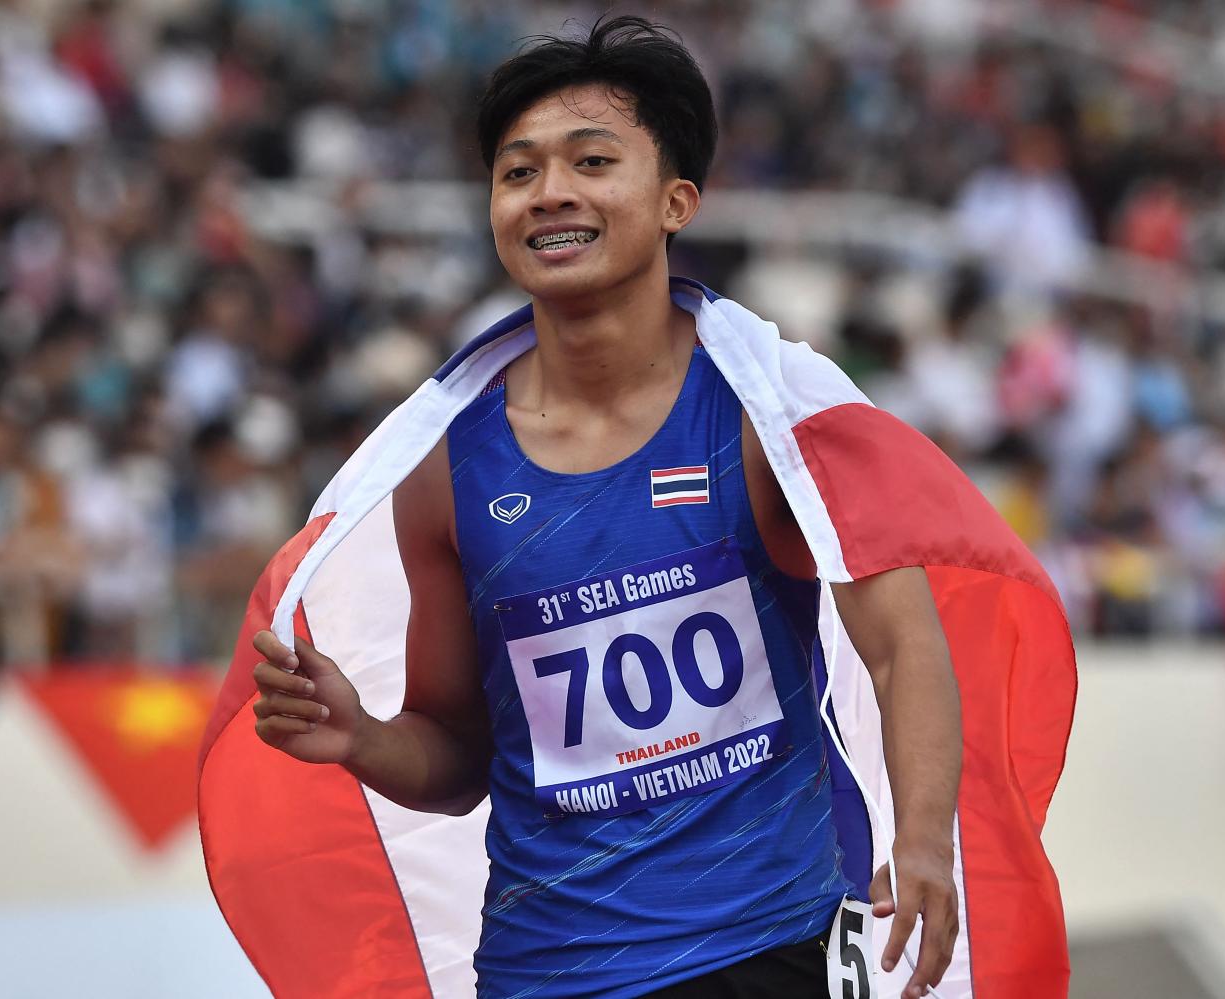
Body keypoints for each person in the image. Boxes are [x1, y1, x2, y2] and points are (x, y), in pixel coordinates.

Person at [246, 17, 961, 999]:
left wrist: (922, 843)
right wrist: (363, 739)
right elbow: (458, 753)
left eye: (591, 161)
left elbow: (903, 642)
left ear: (678, 200)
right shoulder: (444, 468)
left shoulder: (771, 412)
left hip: (767, 950)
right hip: (543, 973)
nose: (551, 194)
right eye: (518, 172)